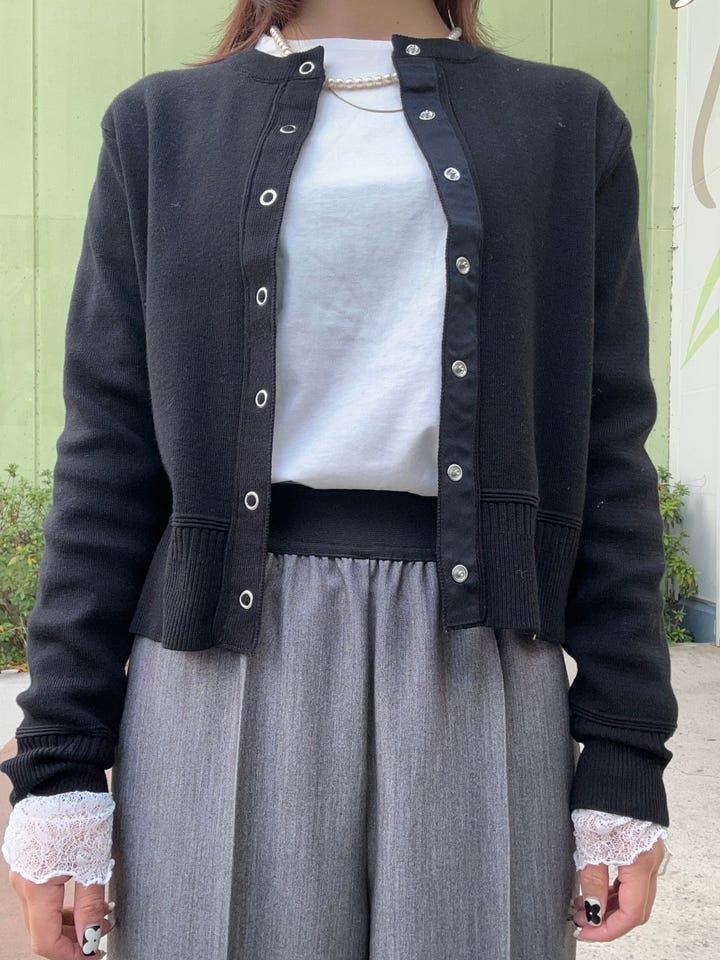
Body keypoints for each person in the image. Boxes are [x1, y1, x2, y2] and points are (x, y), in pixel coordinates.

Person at [1, 1, 679, 958]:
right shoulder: (160, 126)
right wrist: (62, 759)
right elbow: (108, 453)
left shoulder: (568, 124)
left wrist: (622, 745)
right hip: (216, 667)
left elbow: (610, 447)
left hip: (479, 659)